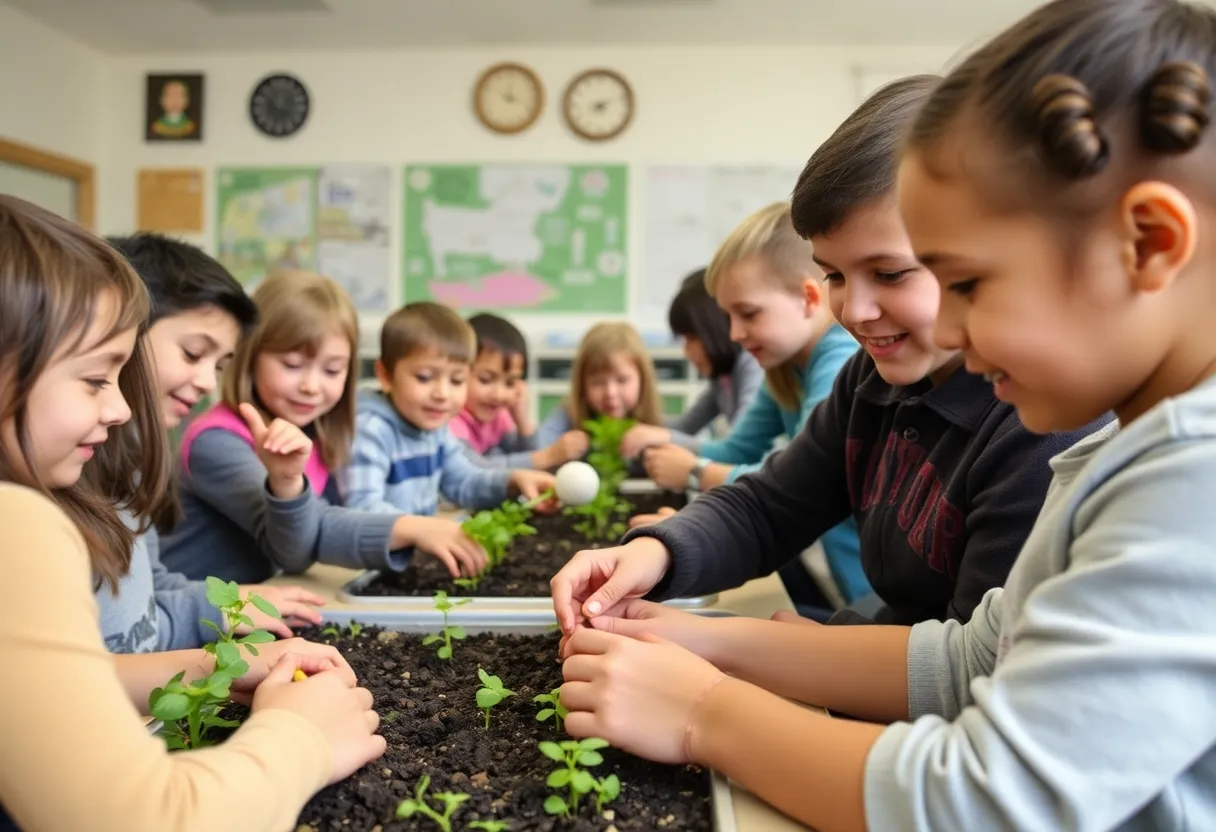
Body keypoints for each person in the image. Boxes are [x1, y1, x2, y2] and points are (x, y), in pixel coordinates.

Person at [559, 1, 1216, 828]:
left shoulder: (1192, 482)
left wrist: (703, 713)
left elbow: (988, 796)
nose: (942, 328)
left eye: (966, 284)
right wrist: (699, 641)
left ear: (1149, 244)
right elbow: (970, 662)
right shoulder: (1116, 455)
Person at [552, 74, 1111, 631]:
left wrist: (807, 651)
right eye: (836, 275)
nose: (854, 310)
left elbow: (971, 665)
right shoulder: (869, 381)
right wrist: (658, 554)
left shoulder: (1041, 422)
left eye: (890, 273)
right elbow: (770, 507)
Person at [0, 195, 382, 832]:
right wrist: (299, 737)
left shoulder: (87, 488)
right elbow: (143, 817)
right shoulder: (19, 524)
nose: (119, 406)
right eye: (96, 378)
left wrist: (213, 667)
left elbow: (81, 671)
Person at [162, 271, 487, 584]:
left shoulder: (318, 431)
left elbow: (330, 519)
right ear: (250, 356)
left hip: (270, 603)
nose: (311, 386)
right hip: (204, 623)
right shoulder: (215, 442)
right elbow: (295, 549)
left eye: (332, 370)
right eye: (292, 365)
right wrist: (412, 527)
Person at [96, 233, 325, 653]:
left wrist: (229, 603)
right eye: (192, 353)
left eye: (218, 365)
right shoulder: (64, 473)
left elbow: (147, 593)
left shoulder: (131, 460)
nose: (206, 383)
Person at [341, 302, 554, 516]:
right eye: (424, 377)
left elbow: (463, 482)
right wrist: (430, 530)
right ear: (386, 375)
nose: (442, 394)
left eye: (457, 380)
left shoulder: (435, 429)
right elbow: (362, 509)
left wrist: (513, 480)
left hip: (417, 544)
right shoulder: (371, 430)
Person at [619, 268, 764, 460]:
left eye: (691, 338)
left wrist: (665, 438)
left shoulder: (753, 365)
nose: (687, 351)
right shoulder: (723, 379)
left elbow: (738, 448)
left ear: (714, 328)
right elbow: (685, 427)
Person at [531, 321, 665, 468]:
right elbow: (537, 450)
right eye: (598, 383)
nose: (610, 393)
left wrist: (662, 437)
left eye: (622, 380)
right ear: (582, 385)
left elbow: (687, 440)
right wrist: (556, 452)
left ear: (642, 380)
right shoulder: (567, 415)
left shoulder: (652, 424)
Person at [449, 312, 543, 469]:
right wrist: (543, 458)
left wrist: (523, 422)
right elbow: (471, 470)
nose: (499, 395)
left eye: (510, 383)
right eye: (485, 379)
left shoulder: (498, 415)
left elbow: (522, 457)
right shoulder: (450, 418)